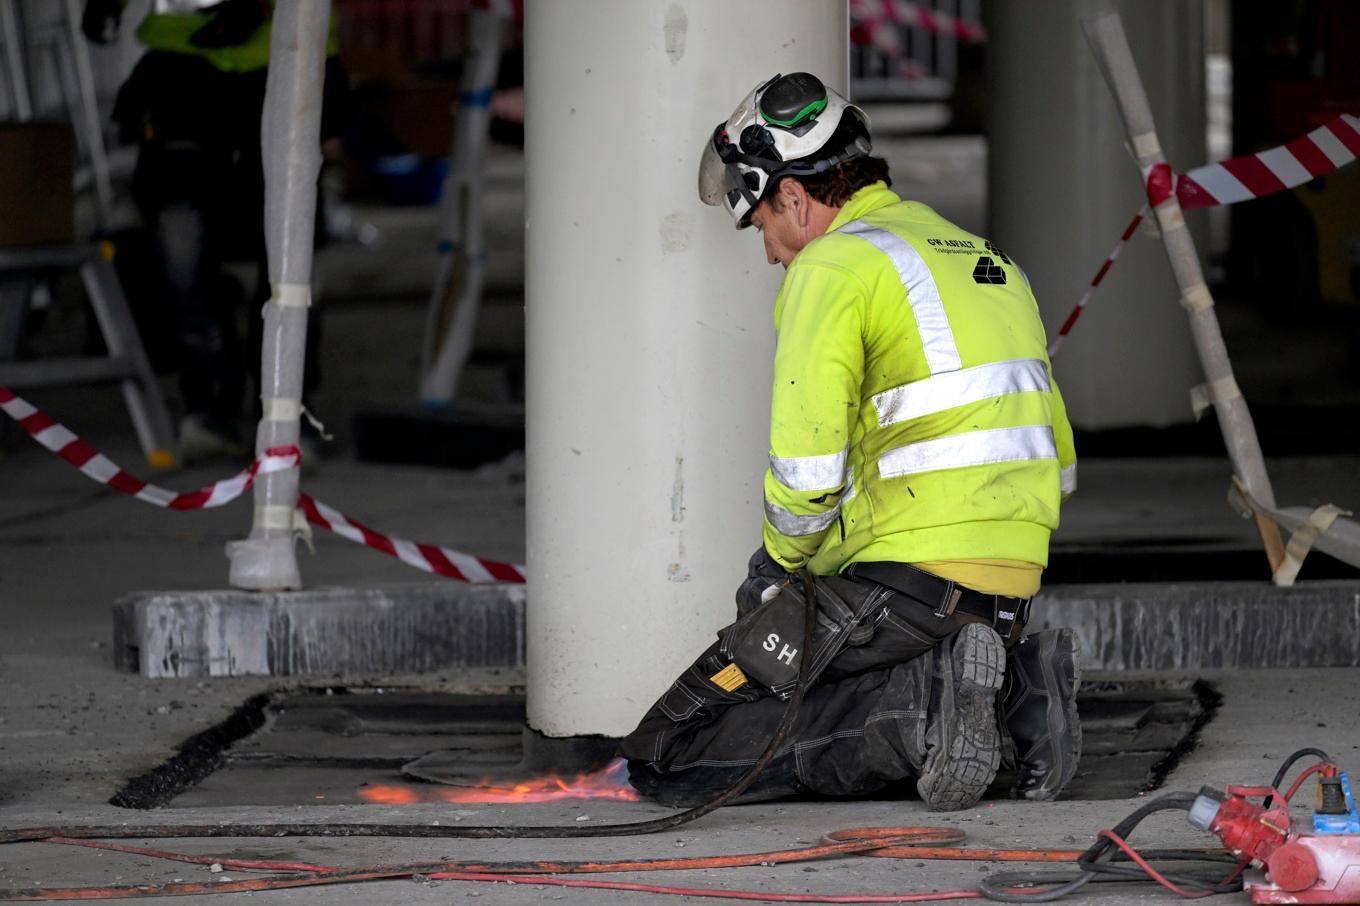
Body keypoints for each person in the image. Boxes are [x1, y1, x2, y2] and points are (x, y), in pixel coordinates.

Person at [620, 73, 1081, 812]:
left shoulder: (833, 265)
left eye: (761, 225)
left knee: (670, 753)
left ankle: (930, 707)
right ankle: (1018, 696)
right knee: (832, 676)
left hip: (910, 583)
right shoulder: (982, 257)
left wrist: (775, 572)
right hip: (1010, 586)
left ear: (793, 198)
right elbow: (1058, 465)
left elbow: (806, 477)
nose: (770, 253)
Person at [83, 0, 350, 461]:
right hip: (183, 72)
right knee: (180, 253)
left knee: (290, 263)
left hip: (287, 58)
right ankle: (209, 406)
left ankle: (287, 414)